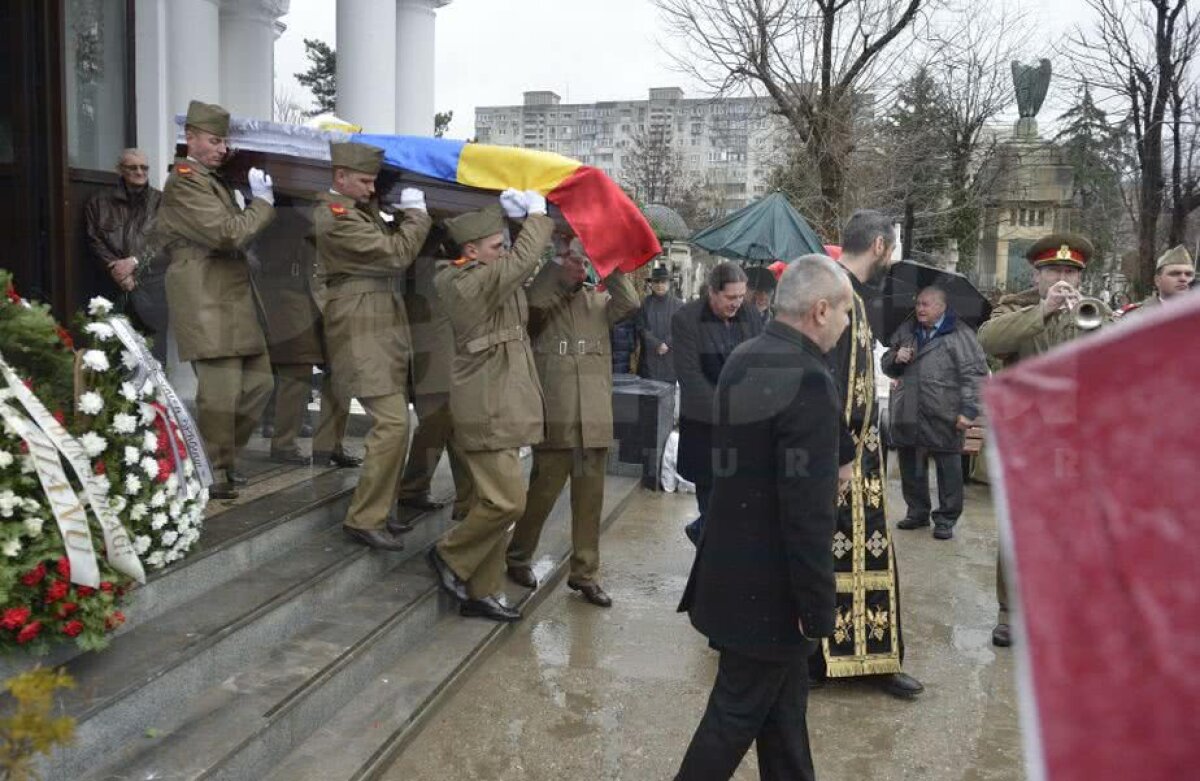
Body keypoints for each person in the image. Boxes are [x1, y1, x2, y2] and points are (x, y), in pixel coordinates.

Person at [675, 255, 852, 781]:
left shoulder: (746, 354)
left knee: (784, 717)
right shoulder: (809, 379)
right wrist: (817, 604)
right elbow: (807, 513)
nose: (846, 324)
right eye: (845, 312)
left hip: (732, 574)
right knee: (732, 717)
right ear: (821, 310)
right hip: (772, 595)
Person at [977, 233, 1113, 648]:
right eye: (1054, 270)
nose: (1063, 278)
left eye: (1070, 271)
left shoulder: (1095, 310)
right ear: (1036, 275)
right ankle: (1011, 613)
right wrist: (1044, 310)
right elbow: (988, 340)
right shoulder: (1012, 309)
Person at [426, 191, 554, 623]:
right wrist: (536, 216)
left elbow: (523, 269)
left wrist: (521, 226)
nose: (504, 252)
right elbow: (519, 263)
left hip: (503, 401)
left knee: (495, 502)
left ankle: (481, 591)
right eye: (497, 246)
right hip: (486, 404)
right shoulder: (461, 282)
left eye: (503, 244)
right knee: (507, 502)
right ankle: (448, 553)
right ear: (471, 250)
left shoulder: (489, 273)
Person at [815, 209, 924, 699]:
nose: (891, 258)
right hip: (838, 455)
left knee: (870, 553)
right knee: (826, 556)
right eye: (892, 248)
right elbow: (822, 381)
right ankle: (818, 660)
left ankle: (875, 658)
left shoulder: (855, 294)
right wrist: (838, 452)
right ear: (879, 245)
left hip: (863, 456)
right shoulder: (834, 293)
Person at [505, 235, 640, 608]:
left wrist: (606, 259)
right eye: (573, 261)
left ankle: (585, 573)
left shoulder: (598, 302)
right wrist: (557, 266)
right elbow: (533, 305)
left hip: (593, 418)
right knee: (542, 495)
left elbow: (630, 302)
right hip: (558, 414)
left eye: (583, 263)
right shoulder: (541, 303)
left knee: (590, 503)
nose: (579, 268)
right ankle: (517, 556)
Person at [313, 141, 432, 550]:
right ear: (340, 176)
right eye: (364, 181)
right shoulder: (336, 216)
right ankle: (364, 517)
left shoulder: (359, 210)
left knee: (398, 425)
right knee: (393, 424)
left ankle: (380, 510)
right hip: (360, 329)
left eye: (373, 182)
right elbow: (396, 254)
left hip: (380, 328)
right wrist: (416, 214)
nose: (370, 188)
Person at [154, 101, 275, 500]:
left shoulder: (214, 181)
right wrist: (262, 204)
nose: (222, 149)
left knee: (259, 384)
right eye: (214, 140)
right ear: (190, 138)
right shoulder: (185, 180)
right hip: (205, 294)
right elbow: (228, 234)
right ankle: (213, 469)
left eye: (224, 142)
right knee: (220, 393)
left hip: (232, 293)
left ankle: (219, 459)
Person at [255, 204, 359, 469]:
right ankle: (284, 443)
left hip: (327, 294)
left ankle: (329, 445)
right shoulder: (283, 208)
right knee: (296, 370)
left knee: (341, 369)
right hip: (290, 294)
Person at [881, 286, 988, 541]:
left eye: (926, 304)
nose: (919, 309)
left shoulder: (960, 333)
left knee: (948, 469)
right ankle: (917, 512)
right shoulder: (906, 329)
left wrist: (969, 410)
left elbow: (975, 374)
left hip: (945, 411)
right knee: (911, 465)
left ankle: (946, 519)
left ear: (942, 306)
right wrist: (896, 357)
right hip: (908, 409)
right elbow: (887, 365)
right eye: (918, 303)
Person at [673, 262, 764, 545]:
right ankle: (709, 557)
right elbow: (691, 379)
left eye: (741, 296)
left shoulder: (750, 315)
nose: (737, 303)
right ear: (712, 292)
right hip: (706, 429)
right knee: (712, 505)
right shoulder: (687, 319)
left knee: (738, 508)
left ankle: (702, 534)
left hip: (744, 432)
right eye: (730, 297)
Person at [396, 249, 474, 519]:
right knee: (438, 421)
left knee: (449, 422)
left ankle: (466, 500)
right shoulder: (427, 258)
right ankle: (416, 487)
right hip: (432, 345)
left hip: (449, 343)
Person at [83, 148, 167, 363]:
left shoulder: (161, 201)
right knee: (113, 353)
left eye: (144, 167)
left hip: (151, 289)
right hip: (112, 287)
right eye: (133, 167)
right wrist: (117, 271)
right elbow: (94, 240)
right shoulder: (99, 202)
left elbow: (168, 241)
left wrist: (135, 262)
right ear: (119, 170)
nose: (140, 172)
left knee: (154, 356)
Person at [635, 265, 684, 383]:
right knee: (647, 393)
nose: (660, 285)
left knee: (667, 393)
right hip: (648, 362)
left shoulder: (678, 305)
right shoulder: (645, 304)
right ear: (651, 284)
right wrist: (656, 344)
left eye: (663, 282)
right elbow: (640, 328)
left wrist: (667, 344)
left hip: (670, 362)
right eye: (656, 282)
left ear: (669, 284)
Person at [1125, 245, 1195, 313]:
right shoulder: (1135, 315)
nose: (1183, 279)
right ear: (1157, 280)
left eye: (1189, 274)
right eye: (1175, 274)